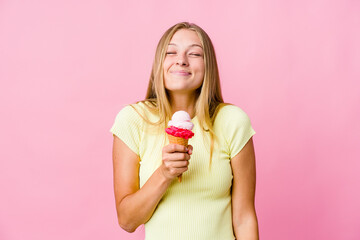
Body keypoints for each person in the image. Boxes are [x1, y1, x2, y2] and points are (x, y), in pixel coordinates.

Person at [110, 22, 259, 240]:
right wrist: (164, 173)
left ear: (208, 66)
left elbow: (244, 218)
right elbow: (127, 221)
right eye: (171, 52)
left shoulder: (232, 121)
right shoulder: (133, 120)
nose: (181, 60)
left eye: (195, 53)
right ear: (159, 63)